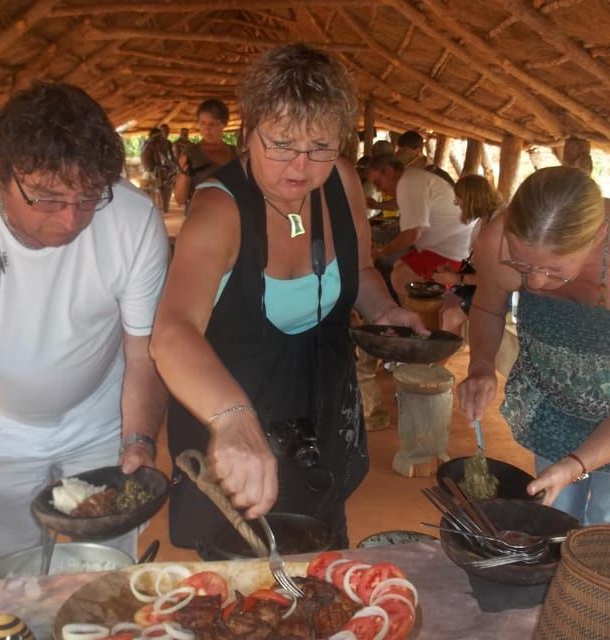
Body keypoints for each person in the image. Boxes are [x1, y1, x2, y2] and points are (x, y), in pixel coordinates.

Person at [150, 43, 425, 549]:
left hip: (321, 420)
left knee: (322, 562)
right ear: (248, 133)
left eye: (320, 146)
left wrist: (385, 310)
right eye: (280, 144)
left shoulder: (342, 182)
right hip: (237, 437)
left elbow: (360, 269)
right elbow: (172, 333)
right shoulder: (219, 212)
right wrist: (233, 419)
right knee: (245, 578)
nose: (300, 166)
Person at [0, 82, 170, 564]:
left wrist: (139, 439)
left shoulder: (132, 218)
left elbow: (144, 354)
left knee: (105, 571)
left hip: (101, 423)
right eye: (47, 198)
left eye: (89, 197)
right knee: (5, 579)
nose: (70, 220)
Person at [458, 166, 610, 525]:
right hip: (558, 392)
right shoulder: (496, 240)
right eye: (521, 264)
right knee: (553, 513)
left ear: (597, 238)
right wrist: (481, 366)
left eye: (554, 270)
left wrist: (575, 465)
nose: (535, 283)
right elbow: (487, 306)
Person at [367, 155, 475, 332]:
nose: (379, 189)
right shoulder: (411, 178)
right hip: (449, 245)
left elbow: (412, 234)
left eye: (378, 183)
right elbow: (400, 204)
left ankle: (419, 330)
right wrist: (378, 206)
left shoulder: (408, 183)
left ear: (389, 171)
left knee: (401, 277)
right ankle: (416, 326)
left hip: (453, 250)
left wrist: (380, 253)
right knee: (399, 267)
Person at [432, 174, 504, 317]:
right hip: (481, 284)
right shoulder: (483, 221)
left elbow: (496, 276)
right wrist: (456, 273)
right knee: (442, 307)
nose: (456, 203)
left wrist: (458, 279)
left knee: (450, 316)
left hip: (499, 290)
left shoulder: (499, 223)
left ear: (471, 199)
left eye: (458, 198)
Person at [173, 99, 238, 209]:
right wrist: (184, 173)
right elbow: (180, 199)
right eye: (203, 123)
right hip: (199, 214)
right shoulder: (191, 153)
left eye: (212, 124)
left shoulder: (236, 153)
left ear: (224, 123)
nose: (207, 129)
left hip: (231, 215)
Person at [140, 124, 176, 212]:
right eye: (161, 134)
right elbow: (160, 159)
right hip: (152, 172)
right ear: (156, 136)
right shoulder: (153, 144)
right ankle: (163, 208)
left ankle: (161, 208)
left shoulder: (147, 143)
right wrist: (170, 167)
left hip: (148, 171)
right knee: (166, 184)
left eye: (167, 131)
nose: (162, 136)